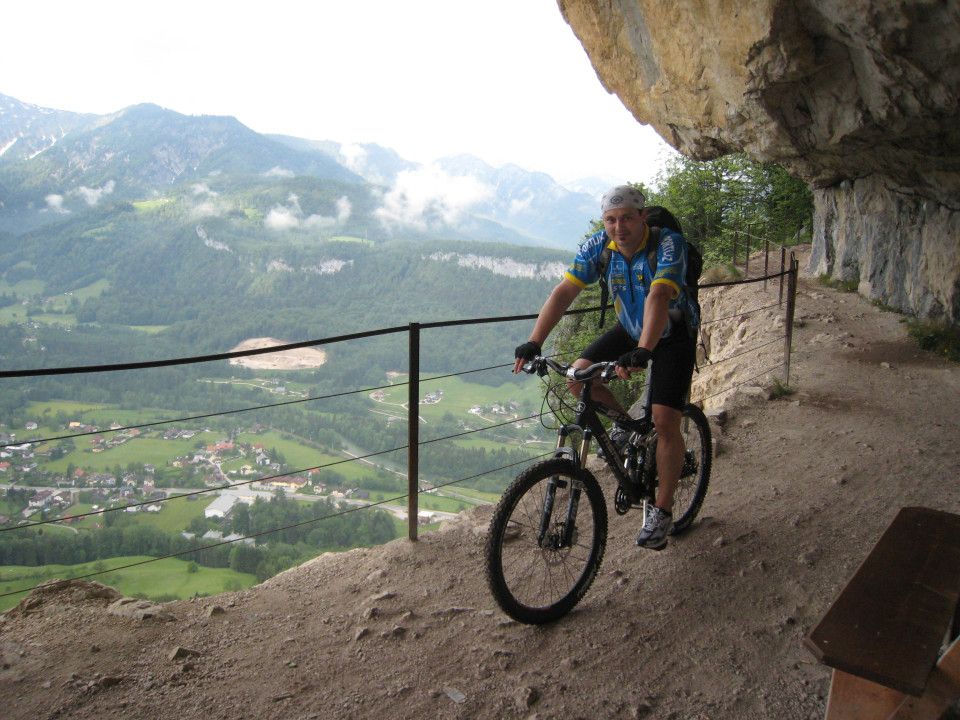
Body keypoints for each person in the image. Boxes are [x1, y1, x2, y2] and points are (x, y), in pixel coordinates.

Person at [513, 185, 699, 550]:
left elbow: (659, 295)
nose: (619, 227)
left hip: (673, 333)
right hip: (631, 328)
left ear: (642, 217)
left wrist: (644, 351)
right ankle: (625, 427)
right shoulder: (598, 247)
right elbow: (564, 292)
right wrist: (535, 341)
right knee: (578, 378)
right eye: (611, 220)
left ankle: (662, 511)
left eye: (627, 218)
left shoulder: (667, 244)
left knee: (665, 420)